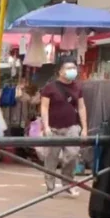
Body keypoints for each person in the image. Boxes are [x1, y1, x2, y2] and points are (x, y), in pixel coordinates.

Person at [40, 58, 87, 196]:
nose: (72, 70)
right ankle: (50, 187)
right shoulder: (50, 88)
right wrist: (46, 126)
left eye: (73, 67)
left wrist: (84, 128)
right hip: (53, 128)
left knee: (72, 156)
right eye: (68, 68)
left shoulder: (77, 87)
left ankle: (68, 184)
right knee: (51, 158)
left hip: (72, 127)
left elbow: (82, 107)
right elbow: (44, 107)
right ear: (60, 71)